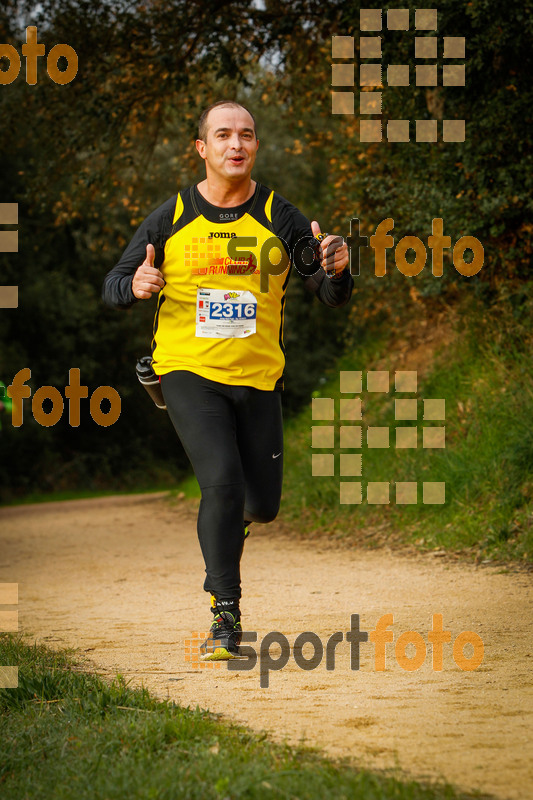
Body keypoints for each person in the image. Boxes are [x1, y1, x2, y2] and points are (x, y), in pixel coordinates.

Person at [102, 100, 353, 661]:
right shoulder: (170, 216)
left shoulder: (281, 216)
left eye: (245, 134)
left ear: (256, 146)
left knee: (260, 506)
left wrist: (338, 268)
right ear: (203, 148)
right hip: (188, 371)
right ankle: (225, 616)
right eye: (222, 135)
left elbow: (327, 292)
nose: (235, 144)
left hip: (259, 377)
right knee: (220, 481)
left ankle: (230, 529)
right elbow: (114, 284)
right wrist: (137, 283)